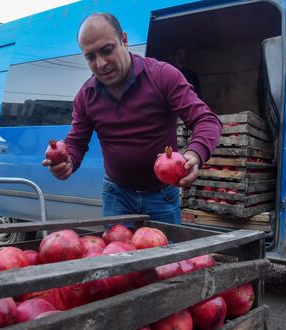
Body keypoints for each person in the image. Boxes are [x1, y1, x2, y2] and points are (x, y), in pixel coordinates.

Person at [42, 12, 222, 224]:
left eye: (107, 50)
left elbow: (206, 120)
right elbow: (76, 142)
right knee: (117, 256)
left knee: (166, 256)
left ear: (124, 40)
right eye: (90, 57)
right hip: (117, 196)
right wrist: (67, 161)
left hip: (162, 196)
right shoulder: (85, 96)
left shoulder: (163, 76)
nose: (100, 64)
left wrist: (195, 153)